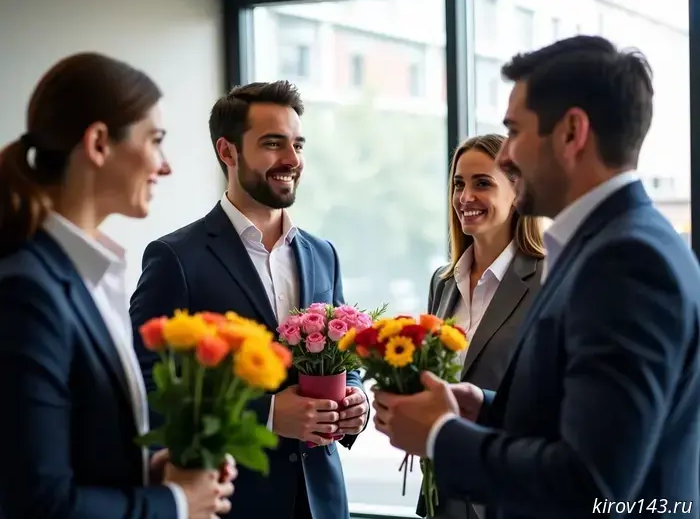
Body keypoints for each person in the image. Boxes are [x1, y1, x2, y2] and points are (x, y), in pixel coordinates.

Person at [372, 35, 700, 519]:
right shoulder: (604, 246)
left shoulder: (625, 263)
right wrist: (483, 409)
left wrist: (442, 436)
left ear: (572, 133)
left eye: (514, 131)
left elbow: (591, 485)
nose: (505, 155)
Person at [0, 53, 236, 519]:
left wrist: (151, 471)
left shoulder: (88, 274)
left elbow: (70, 452)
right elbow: (37, 503)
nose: (164, 166)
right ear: (99, 143)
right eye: (156, 141)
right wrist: (175, 503)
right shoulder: (27, 293)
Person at [130, 81, 369, 519]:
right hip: (233, 504)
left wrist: (356, 399)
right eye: (273, 144)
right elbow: (150, 387)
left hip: (324, 502)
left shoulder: (323, 254)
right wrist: (269, 413)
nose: (292, 159)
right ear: (228, 151)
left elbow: (343, 360)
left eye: (297, 144)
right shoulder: (176, 258)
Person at [417, 134, 544, 519]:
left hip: (509, 493)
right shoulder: (442, 282)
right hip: (446, 493)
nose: (465, 197)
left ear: (517, 192)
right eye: (459, 183)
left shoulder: (548, 279)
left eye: (482, 183)